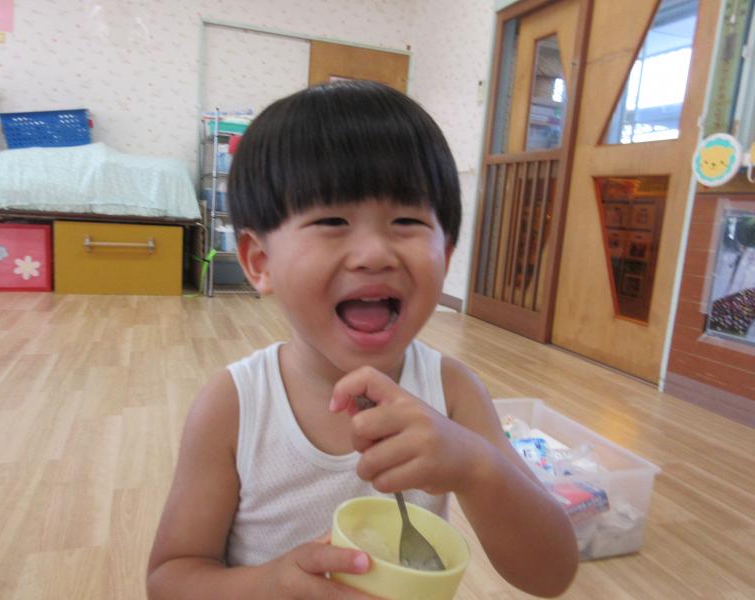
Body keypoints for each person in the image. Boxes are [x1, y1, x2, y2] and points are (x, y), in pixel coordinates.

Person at [147, 80, 578, 599]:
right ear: (260, 262)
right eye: (332, 220)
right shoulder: (235, 405)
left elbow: (552, 574)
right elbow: (170, 577)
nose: (375, 253)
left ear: (446, 253)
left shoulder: (452, 394)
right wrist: (268, 585)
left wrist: (478, 468)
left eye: (407, 221)